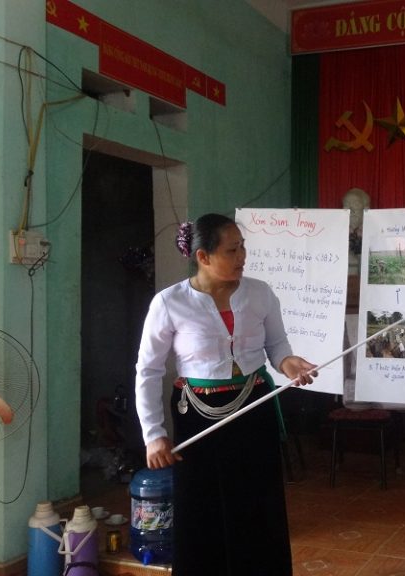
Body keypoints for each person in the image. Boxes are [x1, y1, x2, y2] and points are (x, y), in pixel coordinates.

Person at [134, 213, 318, 576]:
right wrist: (153, 434)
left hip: (254, 405)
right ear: (203, 257)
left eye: (243, 247)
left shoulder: (260, 293)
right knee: (201, 507)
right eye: (232, 250)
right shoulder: (169, 303)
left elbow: (276, 344)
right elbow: (149, 371)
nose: (242, 257)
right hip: (197, 414)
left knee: (257, 502)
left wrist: (288, 362)